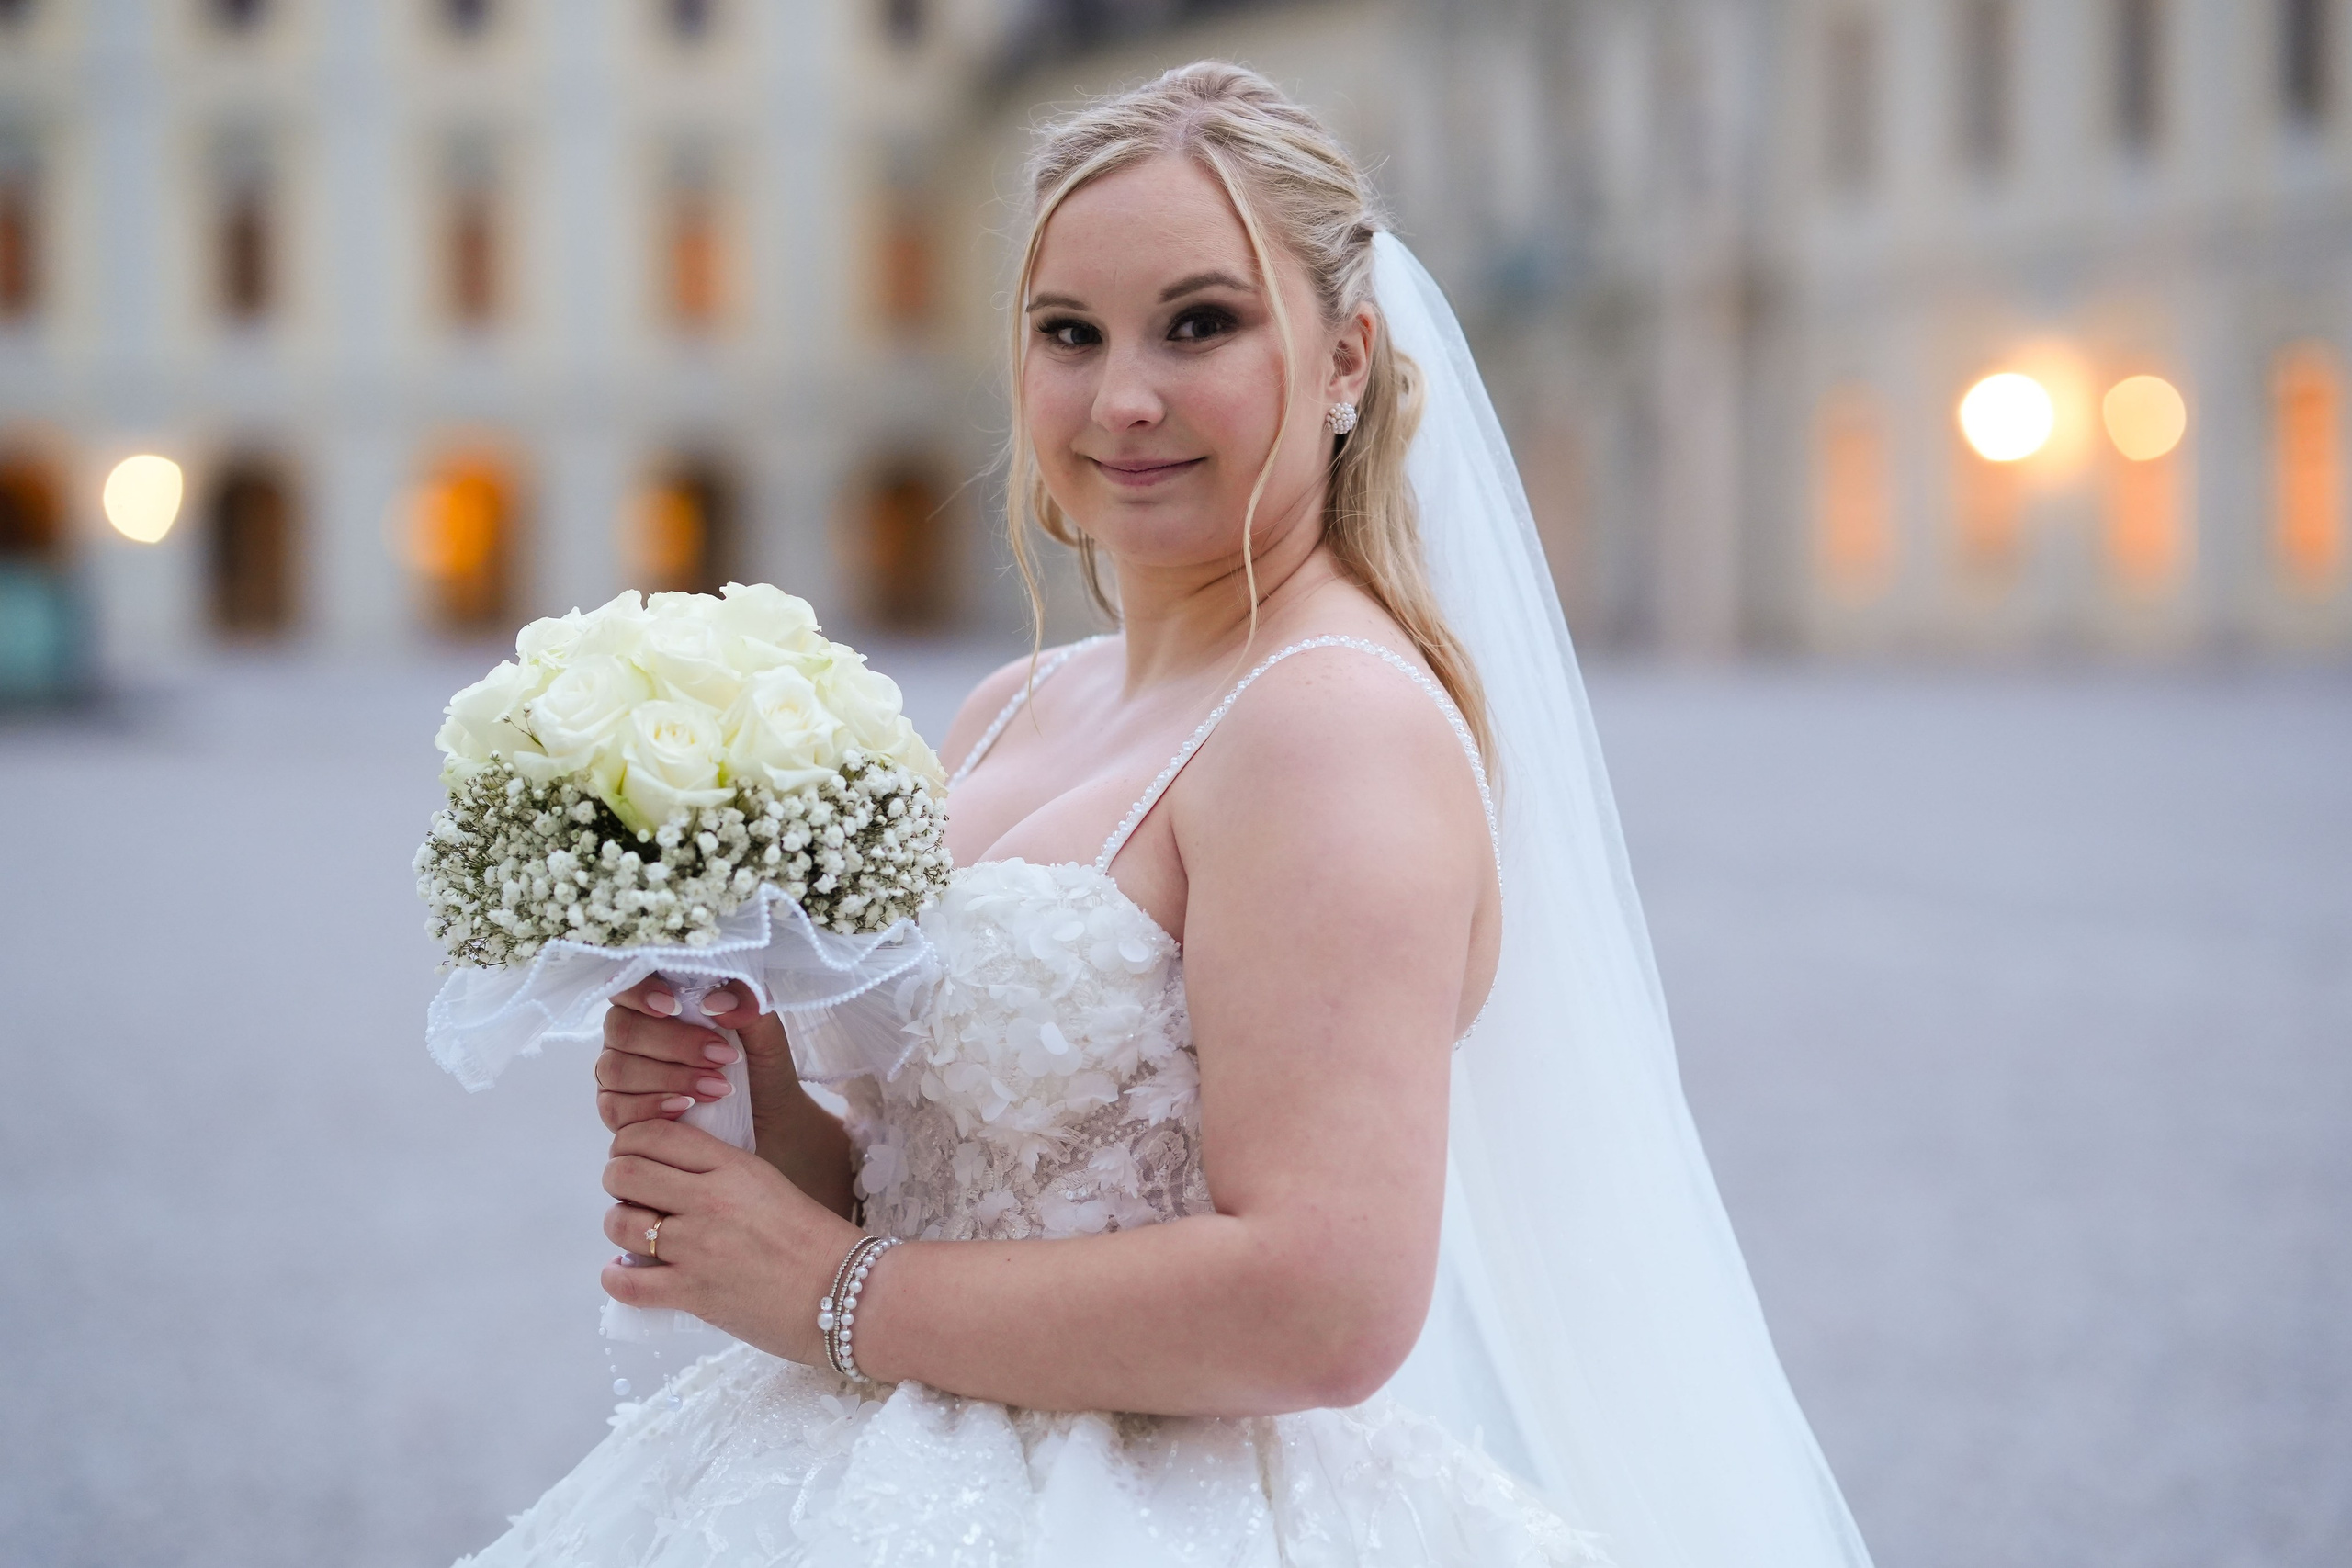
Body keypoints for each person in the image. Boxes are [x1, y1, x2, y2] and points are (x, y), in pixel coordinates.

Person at [458, 62, 1873, 1568]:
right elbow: (925, 1180)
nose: (1122, 397)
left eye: (1199, 324)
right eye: (1069, 334)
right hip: (876, 1471)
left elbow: (1325, 1303)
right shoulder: (1010, 708)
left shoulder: (1328, 723)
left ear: (1347, 362)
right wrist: (753, 1094)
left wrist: (830, 1293)